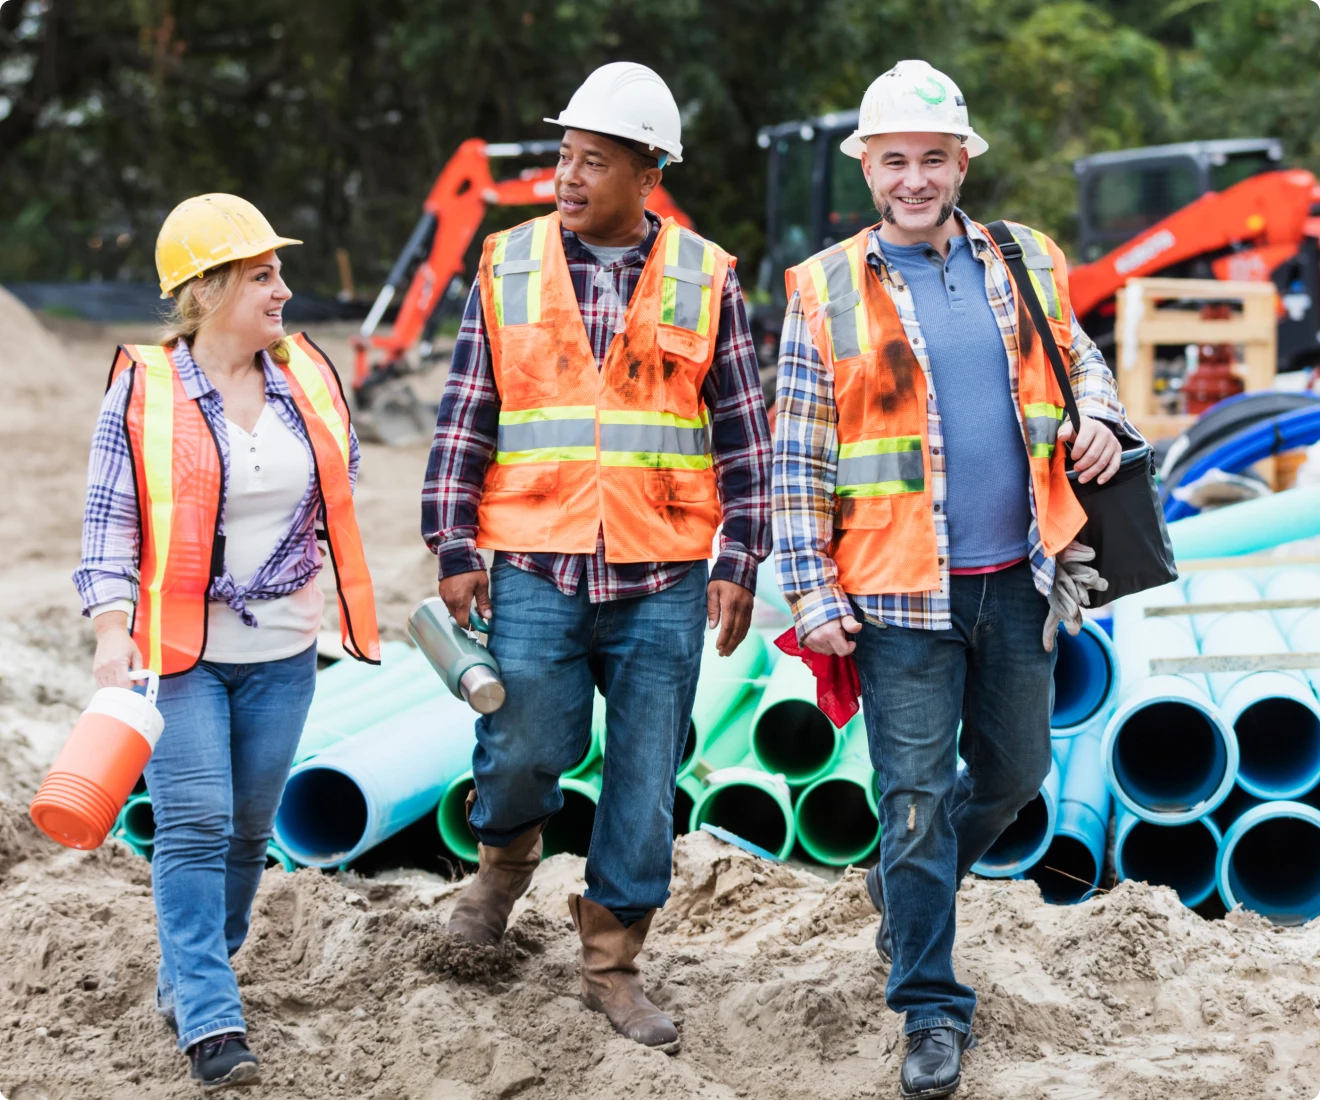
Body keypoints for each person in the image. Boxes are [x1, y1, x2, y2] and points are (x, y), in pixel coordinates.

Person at [772, 61, 1139, 1099]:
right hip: (893, 592)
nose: (916, 177)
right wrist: (809, 587)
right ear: (870, 168)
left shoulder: (1024, 257)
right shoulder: (824, 287)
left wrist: (1101, 416)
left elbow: (1078, 359)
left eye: (934, 158)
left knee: (1017, 773)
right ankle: (930, 1005)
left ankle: (905, 884)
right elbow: (799, 452)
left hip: (1018, 574)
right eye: (896, 160)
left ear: (962, 160)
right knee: (918, 799)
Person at [422, 62, 772, 1050]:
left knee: (646, 775)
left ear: (646, 175)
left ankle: (612, 959)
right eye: (565, 157)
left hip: (662, 568)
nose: (569, 177)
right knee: (525, 740)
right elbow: (466, 410)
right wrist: (452, 537)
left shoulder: (707, 277)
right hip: (535, 555)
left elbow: (744, 432)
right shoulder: (508, 262)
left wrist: (740, 555)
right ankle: (503, 863)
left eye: (594, 161)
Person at [74, 194, 380, 1089]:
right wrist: (108, 631)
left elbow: (343, 476)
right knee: (197, 823)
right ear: (206, 292)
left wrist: (280, 555)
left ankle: (193, 968)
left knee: (250, 831)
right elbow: (107, 527)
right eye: (262, 275)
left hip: (285, 650)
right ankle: (211, 1016)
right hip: (179, 653)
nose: (283, 289)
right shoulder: (144, 388)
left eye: (278, 272)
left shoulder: (309, 374)